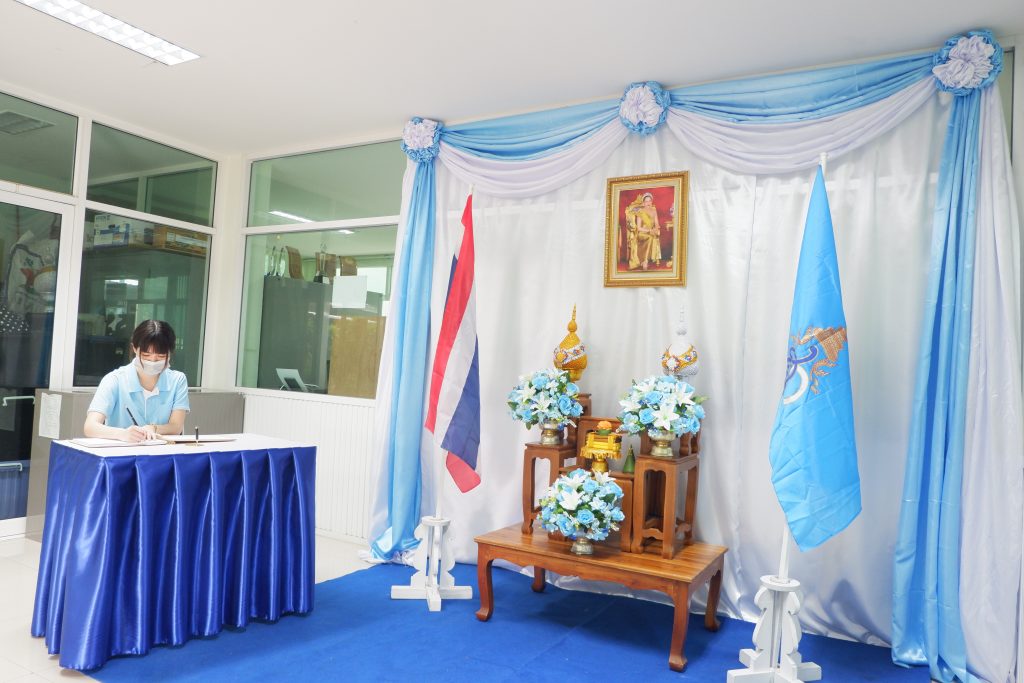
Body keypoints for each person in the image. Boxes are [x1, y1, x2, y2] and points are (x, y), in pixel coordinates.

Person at [83, 320, 189, 442]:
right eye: (146, 355)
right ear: (134, 348)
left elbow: (176, 427)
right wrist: (122, 434)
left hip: (161, 452)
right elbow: (90, 427)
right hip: (122, 452)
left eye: (161, 356)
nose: (153, 361)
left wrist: (153, 428)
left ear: (170, 352)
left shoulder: (177, 380)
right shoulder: (115, 380)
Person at [625, 192, 662, 270]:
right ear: (643, 203)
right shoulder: (640, 212)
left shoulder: (654, 211)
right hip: (641, 233)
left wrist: (656, 229)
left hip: (651, 232)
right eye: (646, 201)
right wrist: (649, 230)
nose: (648, 203)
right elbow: (639, 228)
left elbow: (657, 224)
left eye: (649, 201)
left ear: (651, 202)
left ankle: (645, 261)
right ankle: (645, 261)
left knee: (652, 236)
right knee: (650, 237)